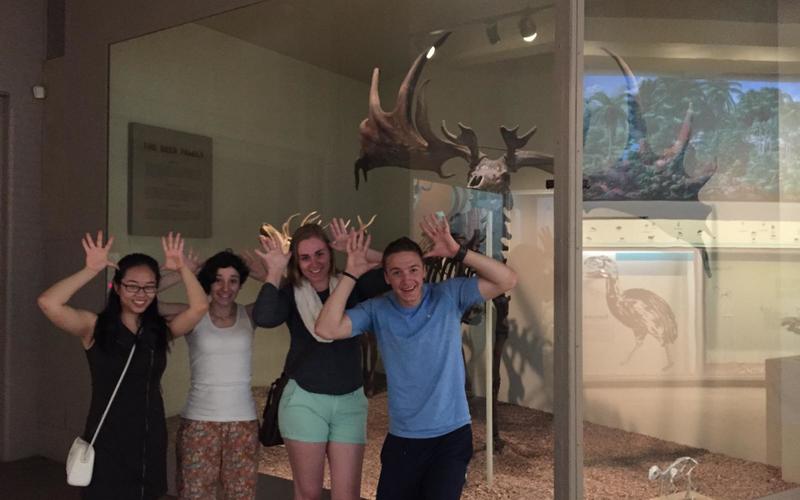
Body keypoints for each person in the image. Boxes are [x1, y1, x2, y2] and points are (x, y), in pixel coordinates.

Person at [315, 214, 518, 500]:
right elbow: (326, 328)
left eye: (413, 270)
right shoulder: (378, 309)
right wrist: (352, 272)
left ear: (424, 271)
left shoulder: (449, 295)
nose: (406, 279)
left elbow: (507, 279)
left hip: (451, 435)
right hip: (404, 439)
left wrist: (458, 252)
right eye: (396, 272)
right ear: (386, 277)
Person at [37, 231, 208, 499]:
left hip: (148, 435)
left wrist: (183, 268)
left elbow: (199, 308)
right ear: (117, 287)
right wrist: (89, 270)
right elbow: (48, 303)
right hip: (107, 436)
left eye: (149, 286)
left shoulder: (158, 331)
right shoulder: (94, 326)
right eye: (132, 286)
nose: (141, 294)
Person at [251, 219, 386, 500]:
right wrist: (274, 271)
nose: (314, 263)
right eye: (305, 257)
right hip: (304, 400)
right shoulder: (291, 293)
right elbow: (264, 317)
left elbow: (394, 268)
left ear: (330, 252)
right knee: (309, 492)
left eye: (320, 254)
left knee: (347, 495)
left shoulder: (352, 284)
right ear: (296, 262)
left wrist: (358, 251)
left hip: (349, 401)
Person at [158, 250, 265, 499]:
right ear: (208, 281)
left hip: (242, 423)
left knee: (241, 495)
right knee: (195, 494)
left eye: (233, 280)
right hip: (199, 423)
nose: (225, 287)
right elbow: (140, 298)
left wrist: (263, 274)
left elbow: (289, 294)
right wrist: (183, 272)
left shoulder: (249, 314)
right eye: (217, 279)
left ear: (241, 284)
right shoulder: (193, 315)